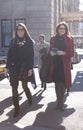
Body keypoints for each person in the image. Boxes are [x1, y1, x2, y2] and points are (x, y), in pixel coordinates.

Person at [4, 23, 34, 117]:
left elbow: (31, 57)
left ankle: (29, 98)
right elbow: (9, 56)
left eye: (22, 29)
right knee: (14, 87)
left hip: (24, 67)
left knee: (25, 86)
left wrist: (30, 68)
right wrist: (7, 67)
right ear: (16, 31)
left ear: (25, 30)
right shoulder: (13, 41)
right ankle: (16, 108)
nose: (20, 31)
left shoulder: (29, 41)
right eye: (18, 29)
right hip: (13, 67)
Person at [49, 22, 74, 111]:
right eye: (60, 28)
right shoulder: (53, 39)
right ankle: (59, 102)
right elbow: (50, 50)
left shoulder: (69, 39)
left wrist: (63, 53)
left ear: (66, 30)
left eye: (64, 28)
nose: (62, 30)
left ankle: (60, 103)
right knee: (57, 84)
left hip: (64, 66)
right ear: (57, 29)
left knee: (62, 85)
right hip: (55, 65)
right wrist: (51, 53)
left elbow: (72, 53)